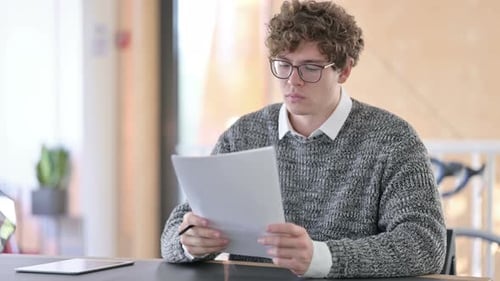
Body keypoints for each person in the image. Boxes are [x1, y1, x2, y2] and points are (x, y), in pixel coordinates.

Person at [161, 0, 446, 278]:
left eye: (310, 68)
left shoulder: (393, 139)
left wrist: (321, 257)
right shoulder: (243, 135)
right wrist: (189, 242)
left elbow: (425, 244)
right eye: (284, 64)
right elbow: (175, 232)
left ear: (344, 70)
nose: (292, 81)